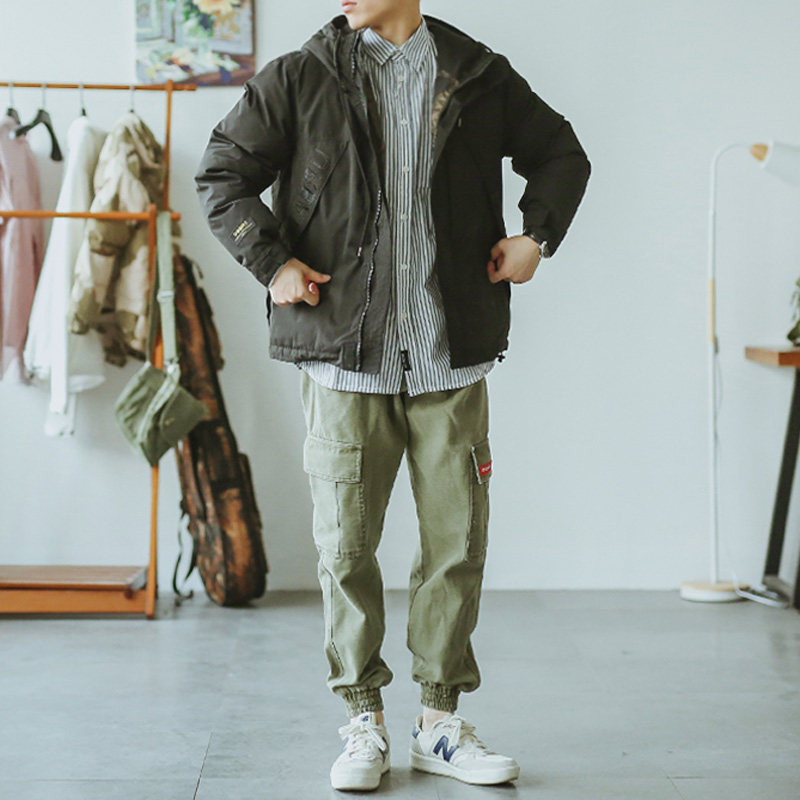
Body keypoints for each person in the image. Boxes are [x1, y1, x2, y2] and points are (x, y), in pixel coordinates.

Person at [195, 0, 590, 792]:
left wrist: (536, 236)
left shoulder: (476, 74)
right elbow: (223, 175)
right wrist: (272, 264)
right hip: (344, 362)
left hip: (450, 358)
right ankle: (363, 723)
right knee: (346, 549)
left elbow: (560, 153)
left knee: (456, 546)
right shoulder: (302, 76)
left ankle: (438, 724)